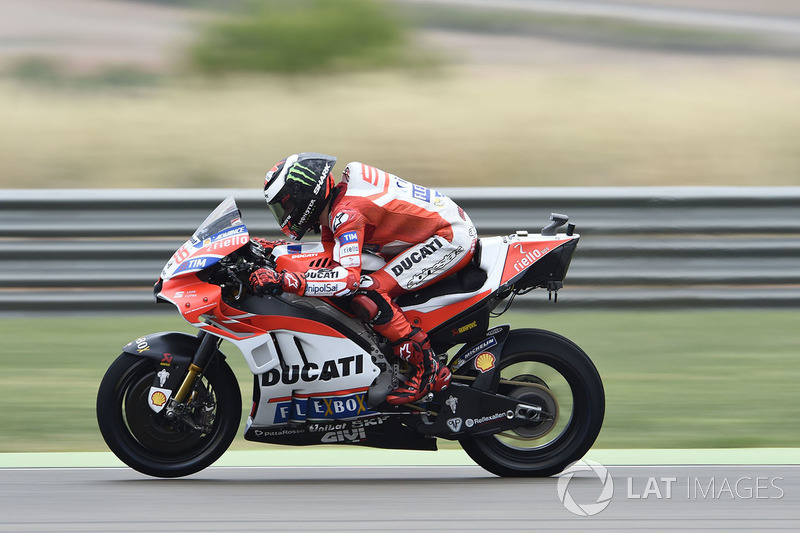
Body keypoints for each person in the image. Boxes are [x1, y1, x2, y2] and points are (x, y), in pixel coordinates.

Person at [249, 153, 478, 405]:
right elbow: (329, 256)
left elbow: (347, 280)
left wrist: (287, 281)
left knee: (370, 291)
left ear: (305, 195)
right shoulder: (335, 205)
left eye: (287, 206)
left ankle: (428, 368)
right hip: (431, 230)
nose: (286, 214)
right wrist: (276, 249)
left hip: (448, 238)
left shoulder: (346, 214)